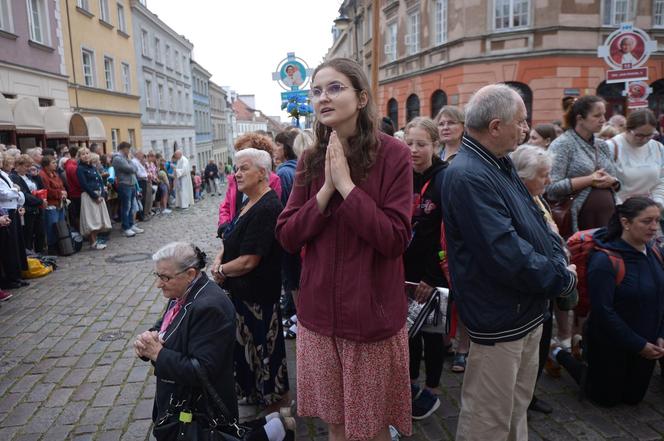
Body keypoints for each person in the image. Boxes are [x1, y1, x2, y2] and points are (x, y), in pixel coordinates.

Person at [275, 57, 413, 441]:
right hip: (318, 318)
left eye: (335, 88)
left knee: (369, 429)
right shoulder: (310, 158)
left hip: (370, 319)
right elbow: (286, 235)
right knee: (336, 425)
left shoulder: (394, 155)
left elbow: (395, 238)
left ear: (362, 97)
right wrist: (325, 190)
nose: (323, 98)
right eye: (317, 90)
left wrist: (348, 187)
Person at [440, 84, 577, 441]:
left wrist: (556, 259)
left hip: (522, 310)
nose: (527, 129)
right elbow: (506, 253)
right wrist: (560, 279)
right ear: (496, 125)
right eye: (521, 121)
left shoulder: (497, 161)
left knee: (515, 410)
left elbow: (532, 216)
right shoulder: (468, 173)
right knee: (488, 421)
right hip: (500, 317)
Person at [135, 242, 296, 441]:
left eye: (164, 277)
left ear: (191, 274)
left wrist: (158, 354)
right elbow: (169, 322)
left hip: (200, 408)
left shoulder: (209, 307)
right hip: (183, 400)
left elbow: (201, 370)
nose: (159, 283)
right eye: (157, 276)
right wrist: (151, 336)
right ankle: (273, 426)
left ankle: (273, 431)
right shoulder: (183, 292)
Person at [552, 197, 664, 406]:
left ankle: (581, 350)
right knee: (604, 399)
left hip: (646, 341)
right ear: (626, 223)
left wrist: (660, 335)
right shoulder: (605, 260)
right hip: (611, 341)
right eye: (647, 221)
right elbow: (604, 311)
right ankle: (560, 354)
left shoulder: (656, 252)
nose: (654, 227)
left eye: (657, 220)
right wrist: (639, 345)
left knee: (633, 399)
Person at [210, 148, 288, 409]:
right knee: (245, 349)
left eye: (244, 168)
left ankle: (271, 401)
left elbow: (249, 260)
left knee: (260, 349)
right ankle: (252, 391)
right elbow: (232, 236)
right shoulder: (249, 201)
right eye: (236, 168)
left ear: (262, 173)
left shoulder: (267, 206)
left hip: (257, 296)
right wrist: (220, 257)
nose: (237, 174)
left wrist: (221, 271)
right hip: (242, 292)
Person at [402, 117, 447, 420]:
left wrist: (431, 277)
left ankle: (433, 387)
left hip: (433, 273)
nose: (414, 150)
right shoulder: (401, 176)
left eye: (421, 144)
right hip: (403, 269)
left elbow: (450, 234)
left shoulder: (445, 178)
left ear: (435, 145)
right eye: (409, 144)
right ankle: (411, 383)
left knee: (432, 332)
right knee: (407, 332)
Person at [510, 144, 560, 414]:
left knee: (541, 345)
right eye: (543, 175)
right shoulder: (516, 204)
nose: (549, 180)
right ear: (522, 176)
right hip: (530, 289)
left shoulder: (538, 198)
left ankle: (529, 394)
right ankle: (521, 399)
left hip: (546, 287)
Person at [547, 95, 620, 237]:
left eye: (604, 114)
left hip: (607, 218)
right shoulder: (563, 144)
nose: (603, 120)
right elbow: (551, 188)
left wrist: (613, 182)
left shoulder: (602, 145)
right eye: (597, 115)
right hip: (580, 222)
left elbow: (615, 180)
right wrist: (589, 180)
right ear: (580, 118)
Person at [217, 133, 282, 238]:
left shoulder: (273, 180)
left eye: (244, 151)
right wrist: (224, 227)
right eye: (239, 151)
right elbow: (226, 206)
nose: (241, 155)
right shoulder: (235, 178)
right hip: (233, 233)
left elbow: (268, 213)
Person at [274, 129, 301, 333]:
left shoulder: (283, 172)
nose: (274, 149)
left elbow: (282, 207)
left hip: (289, 236)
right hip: (298, 234)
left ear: (285, 148)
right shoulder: (296, 168)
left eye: (277, 145)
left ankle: (300, 319)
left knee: (293, 280)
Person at [608, 108, 664, 207]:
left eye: (650, 135)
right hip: (621, 210)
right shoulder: (611, 147)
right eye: (639, 135)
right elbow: (608, 184)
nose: (645, 140)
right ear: (628, 129)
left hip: (651, 209)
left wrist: (658, 203)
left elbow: (661, 180)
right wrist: (622, 209)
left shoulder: (658, 147)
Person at [0, 152, 28, 290]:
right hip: (5, 210)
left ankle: (16, 275)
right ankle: (11, 277)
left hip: (12, 209)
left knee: (15, 245)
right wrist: (15, 190)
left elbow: (18, 193)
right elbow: (4, 193)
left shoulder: (5, 175)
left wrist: (17, 197)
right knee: (9, 247)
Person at [76, 147, 111, 250]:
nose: (86, 155)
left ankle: (95, 240)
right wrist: (95, 196)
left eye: (87, 153)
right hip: (89, 196)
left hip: (98, 195)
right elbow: (84, 185)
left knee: (98, 219)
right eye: (83, 154)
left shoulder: (92, 167)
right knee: (92, 220)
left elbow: (100, 181)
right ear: (79, 157)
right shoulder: (80, 169)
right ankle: (93, 242)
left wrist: (102, 194)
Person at [10, 154, 45, 254]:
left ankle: (40, 255)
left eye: (29, 166)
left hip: (36, 208)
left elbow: (39, 187)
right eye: (26, 166)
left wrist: (37, 176)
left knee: (40, 233)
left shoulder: (29, 176)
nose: (28, 169)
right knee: (28, 235)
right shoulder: (14, 177)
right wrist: (39, 201)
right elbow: (24, 195)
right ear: (18, 165)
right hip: (27, 209)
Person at [112, 142, 141, 237]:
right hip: (124, 185)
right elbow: (131, 169)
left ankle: (131, 224)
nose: (129, 151)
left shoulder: (125, 158)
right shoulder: (118, 159)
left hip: (131, 184)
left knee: (131, 206)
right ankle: (125, 227)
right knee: (126, 207)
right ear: (123, 149)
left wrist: (130, 162)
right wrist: (130, 163)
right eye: (128, 149)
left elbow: (136, 168)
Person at [39, 155, 68, 253]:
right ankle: (52, 247)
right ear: (46, 165)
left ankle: (61, 245)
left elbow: (61, 185)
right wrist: (60, 193)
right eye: (53, 163)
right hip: (51, 204)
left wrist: (64, 192)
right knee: (51, 226)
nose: (56, 164)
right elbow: (47, 190)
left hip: (59, 203)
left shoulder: (55, 174)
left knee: (60, 225)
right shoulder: (42, 175)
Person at [64, 146, 82, 232]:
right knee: (79, 214)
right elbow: (78, 182)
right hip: (77, 193)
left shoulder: (72, 164)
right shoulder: (72, 166)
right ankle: (80, 232)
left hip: (76, 192)